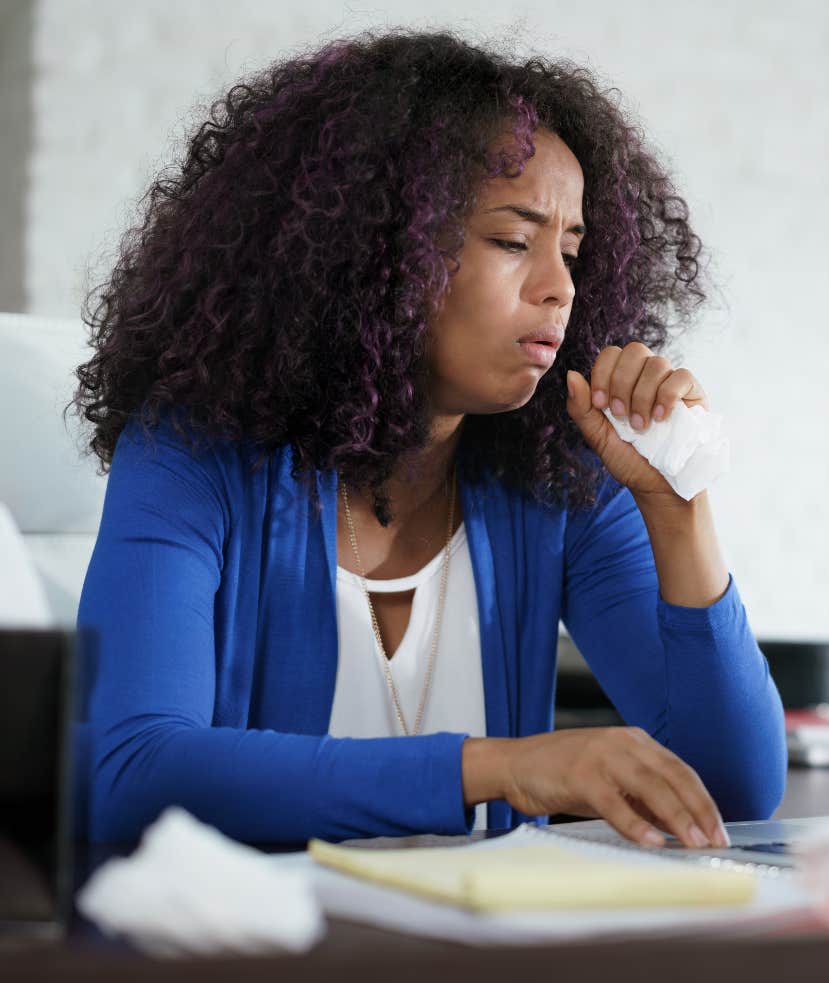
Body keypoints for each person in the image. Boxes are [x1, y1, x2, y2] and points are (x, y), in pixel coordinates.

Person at [72, 29, 786, 846]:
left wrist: (676, 508)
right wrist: (502, 767)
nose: (559, 289)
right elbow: (129, 773)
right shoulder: (192, 454)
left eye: (573, 253)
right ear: (379, 249)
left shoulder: (556, 481)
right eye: (514, 242)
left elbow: (735, 788)